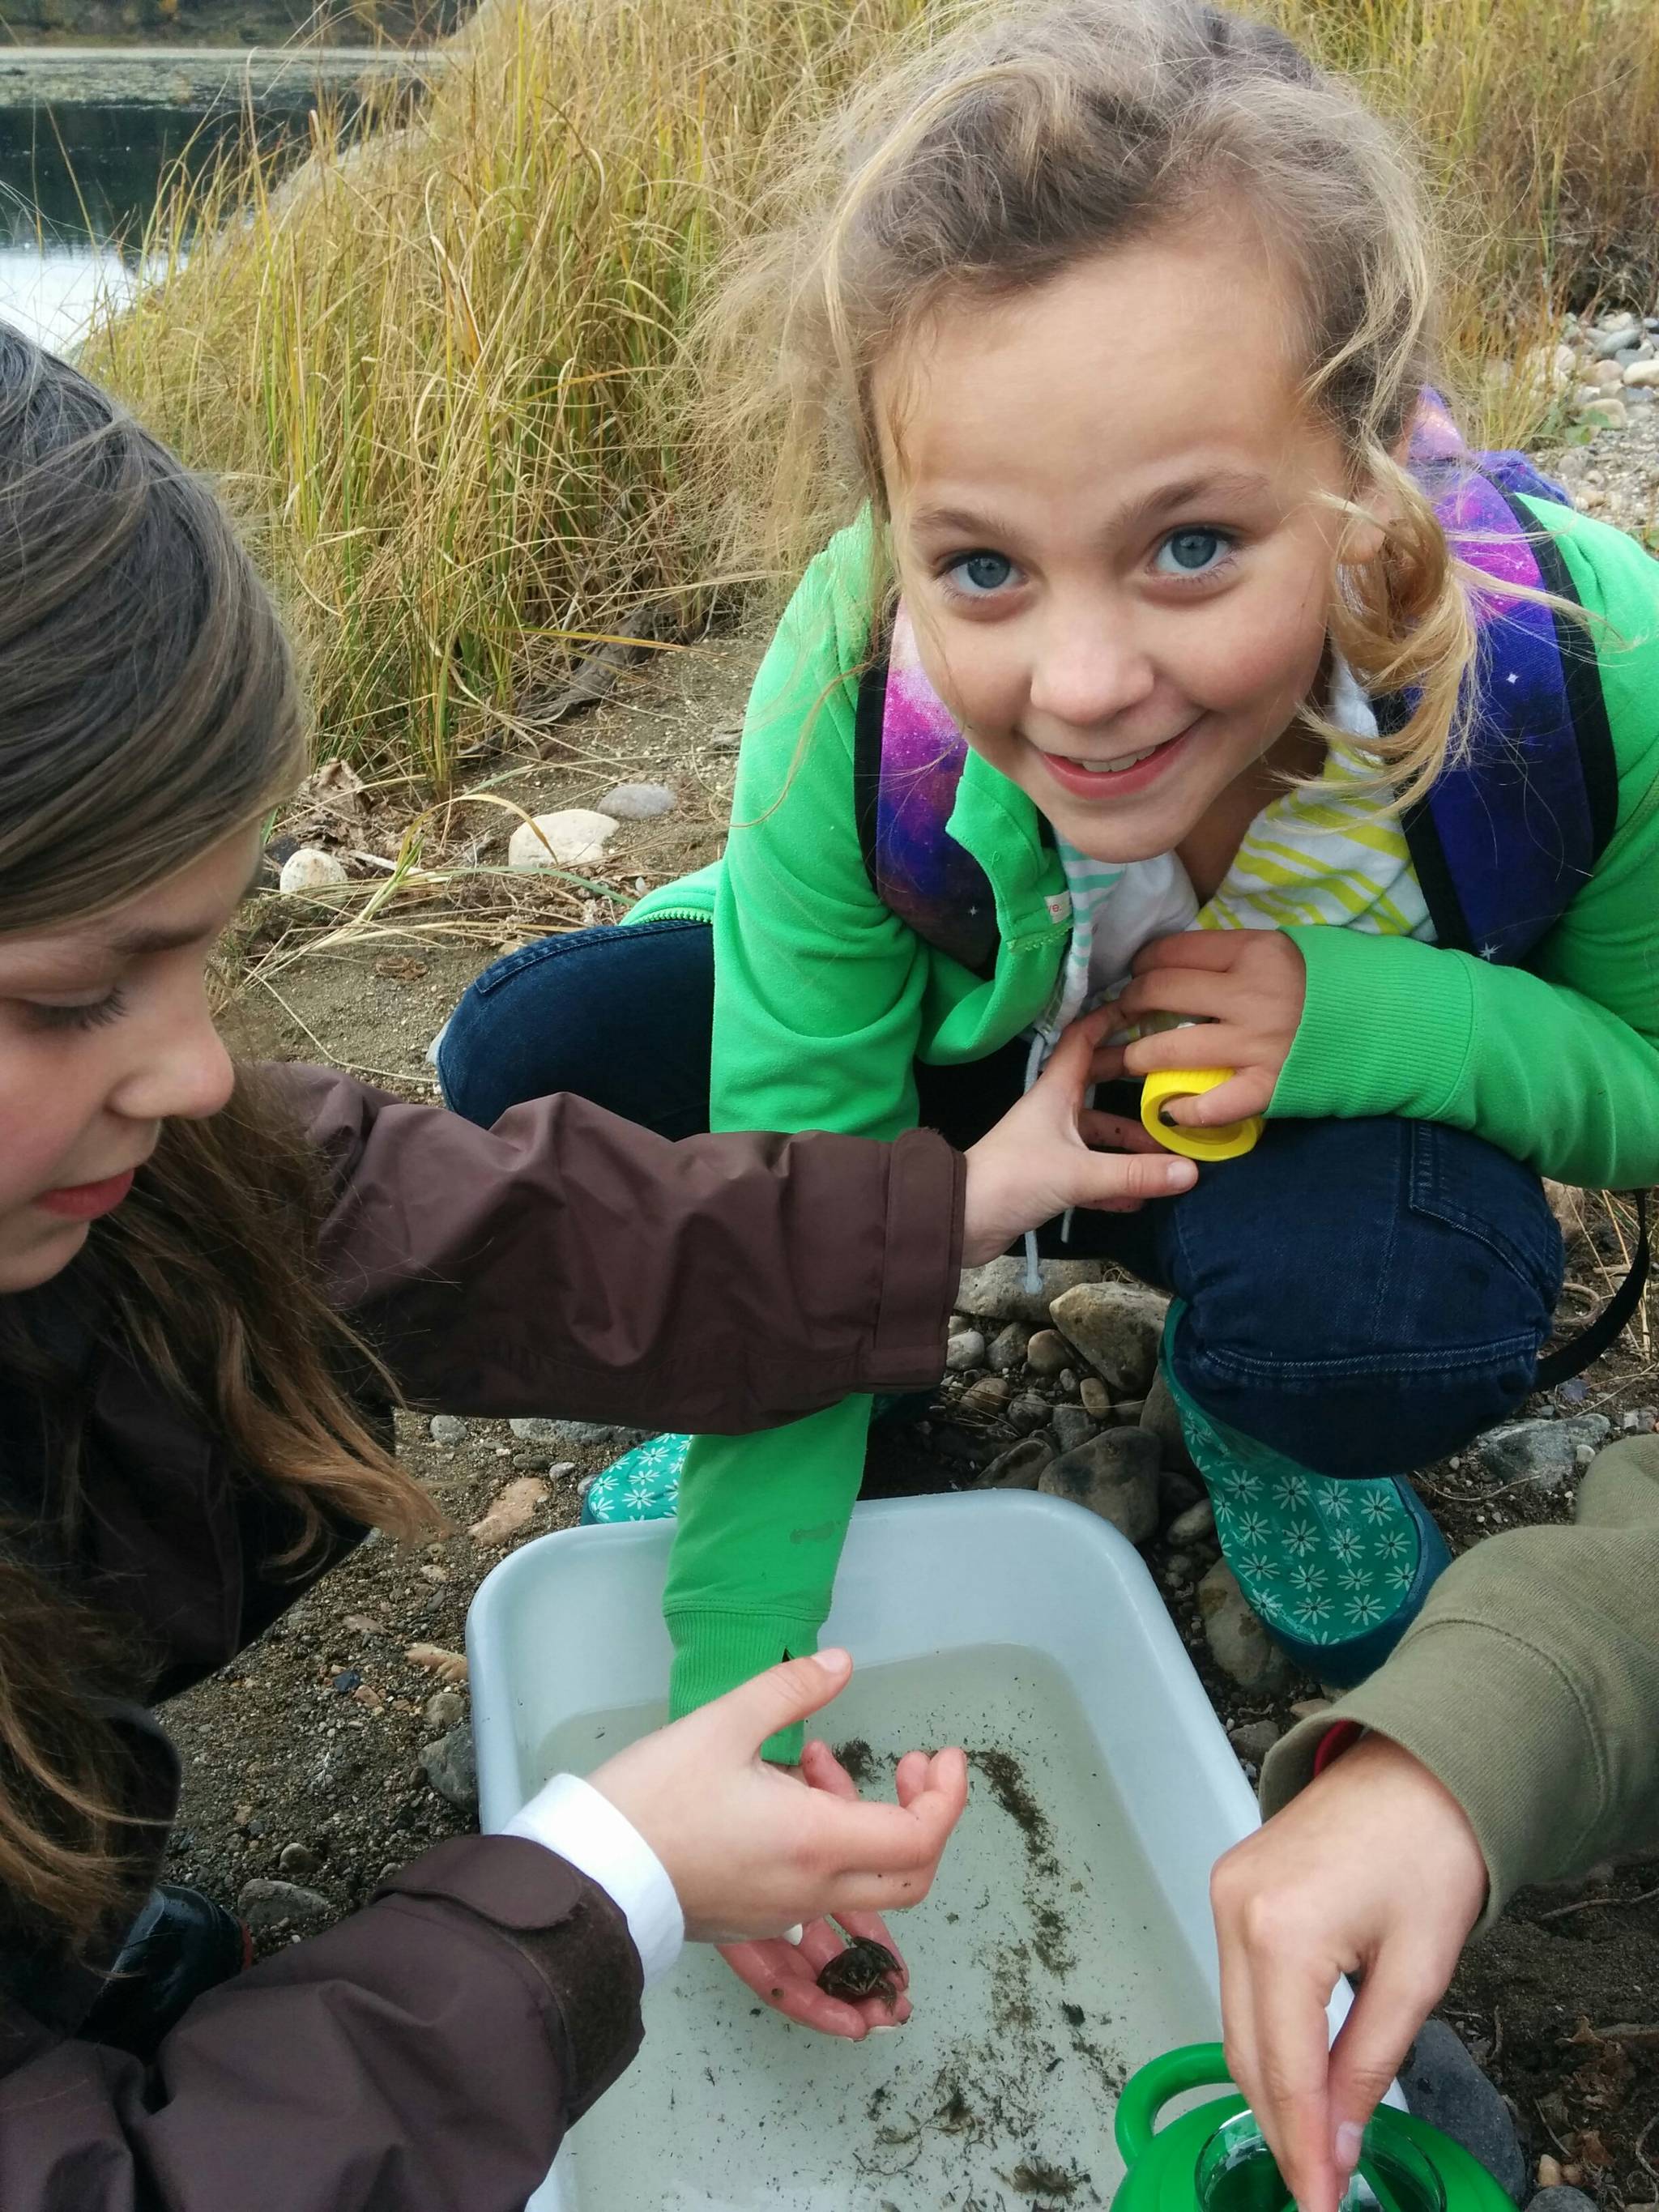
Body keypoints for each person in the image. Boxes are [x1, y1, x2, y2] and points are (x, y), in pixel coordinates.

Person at [436, 0, 1659, 2202]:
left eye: (1195, 545)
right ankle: (838, 1419)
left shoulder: (1570, 654)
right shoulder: (846, 681)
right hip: (969, 1099)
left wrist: (1365, 1016)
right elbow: (791, 1168)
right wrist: (747, 1701)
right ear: (895, 530)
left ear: (1362, 461)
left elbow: (1651, 1090)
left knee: (1362, 1305)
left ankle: (1262, 1432)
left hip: (1304, 1145)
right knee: (529, 1065)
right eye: (983, 566)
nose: (1086, 685)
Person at [0, 325, 1192, 2210]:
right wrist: (607, 1884)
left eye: (196, 961)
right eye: (76, 994)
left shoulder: (149, 1164)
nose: (199, 1063)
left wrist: (955, 1201)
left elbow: (489, 1229)